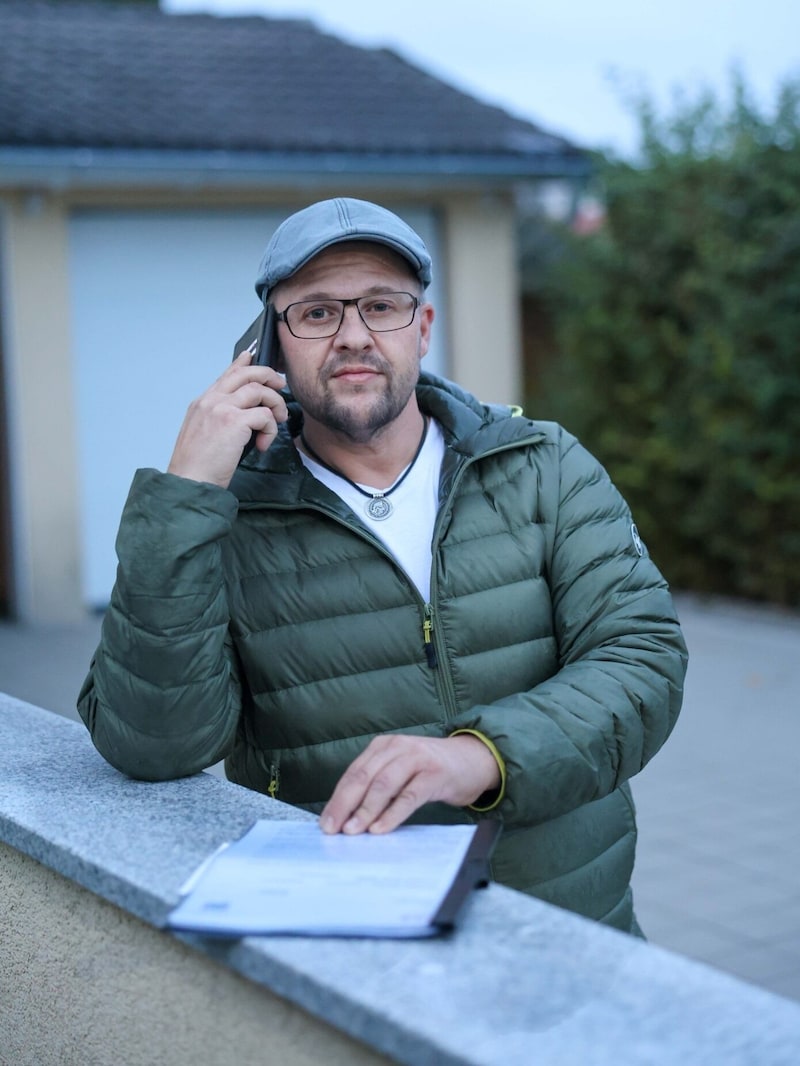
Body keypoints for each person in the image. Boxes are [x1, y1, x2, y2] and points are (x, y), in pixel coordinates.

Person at [78, 197, 688, 934]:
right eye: (316, 313)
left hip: (565, 915)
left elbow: (641, 656)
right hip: (340, 935)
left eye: (381, 306)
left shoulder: (543, 464)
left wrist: (480, 757)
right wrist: (185, 495)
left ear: (423, 328)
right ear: (270, 347)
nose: (354, 336)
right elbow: (152, 744)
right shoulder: (219, 514)